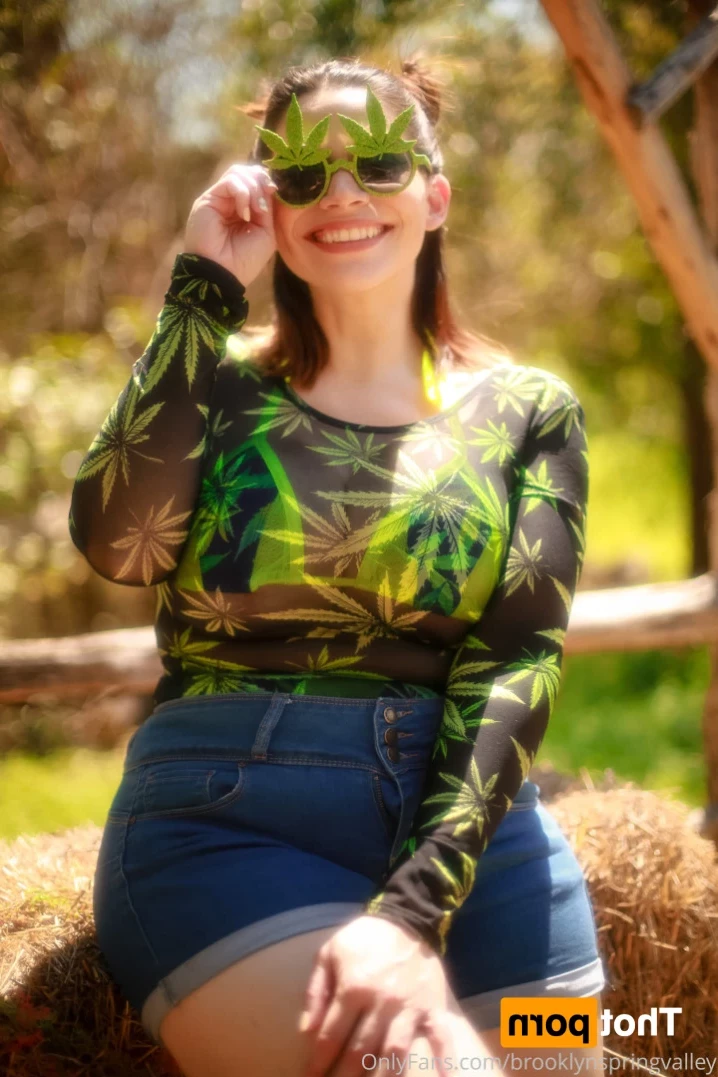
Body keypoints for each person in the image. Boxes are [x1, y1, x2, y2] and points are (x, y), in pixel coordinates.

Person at [70, 56, 606, 1077]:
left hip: (484, 855)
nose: (343, 193)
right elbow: (118, 544)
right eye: (303, 174)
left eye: (380, 165)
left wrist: (413, 910)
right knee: (426, 1070)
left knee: (570, 1060)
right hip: (230, 821)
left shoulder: (530, 411)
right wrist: (202, 289)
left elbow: (515, 659)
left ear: (435, 196)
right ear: (268, 201)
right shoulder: (213, 378)